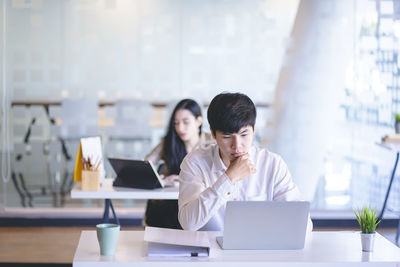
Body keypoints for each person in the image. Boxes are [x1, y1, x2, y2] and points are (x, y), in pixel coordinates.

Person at [178, 92, 313, 231]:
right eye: (227, 136)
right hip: (212, 250)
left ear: (254, 129)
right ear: (213, 133)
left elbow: (304, 224)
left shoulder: (272, 164)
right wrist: (228, 179)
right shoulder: (195, 162)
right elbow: (189, 224)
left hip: (261, 250)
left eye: (244, 135)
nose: (237, 145)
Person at [144, 99, 214, 229]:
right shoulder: (170, 141)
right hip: (171, 202)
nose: (180, 128)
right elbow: (146, 164)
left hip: (199, 202)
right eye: (176, 123)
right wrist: (162, 179)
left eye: (186, 122)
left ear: (199, 121)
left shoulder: (212, 142)